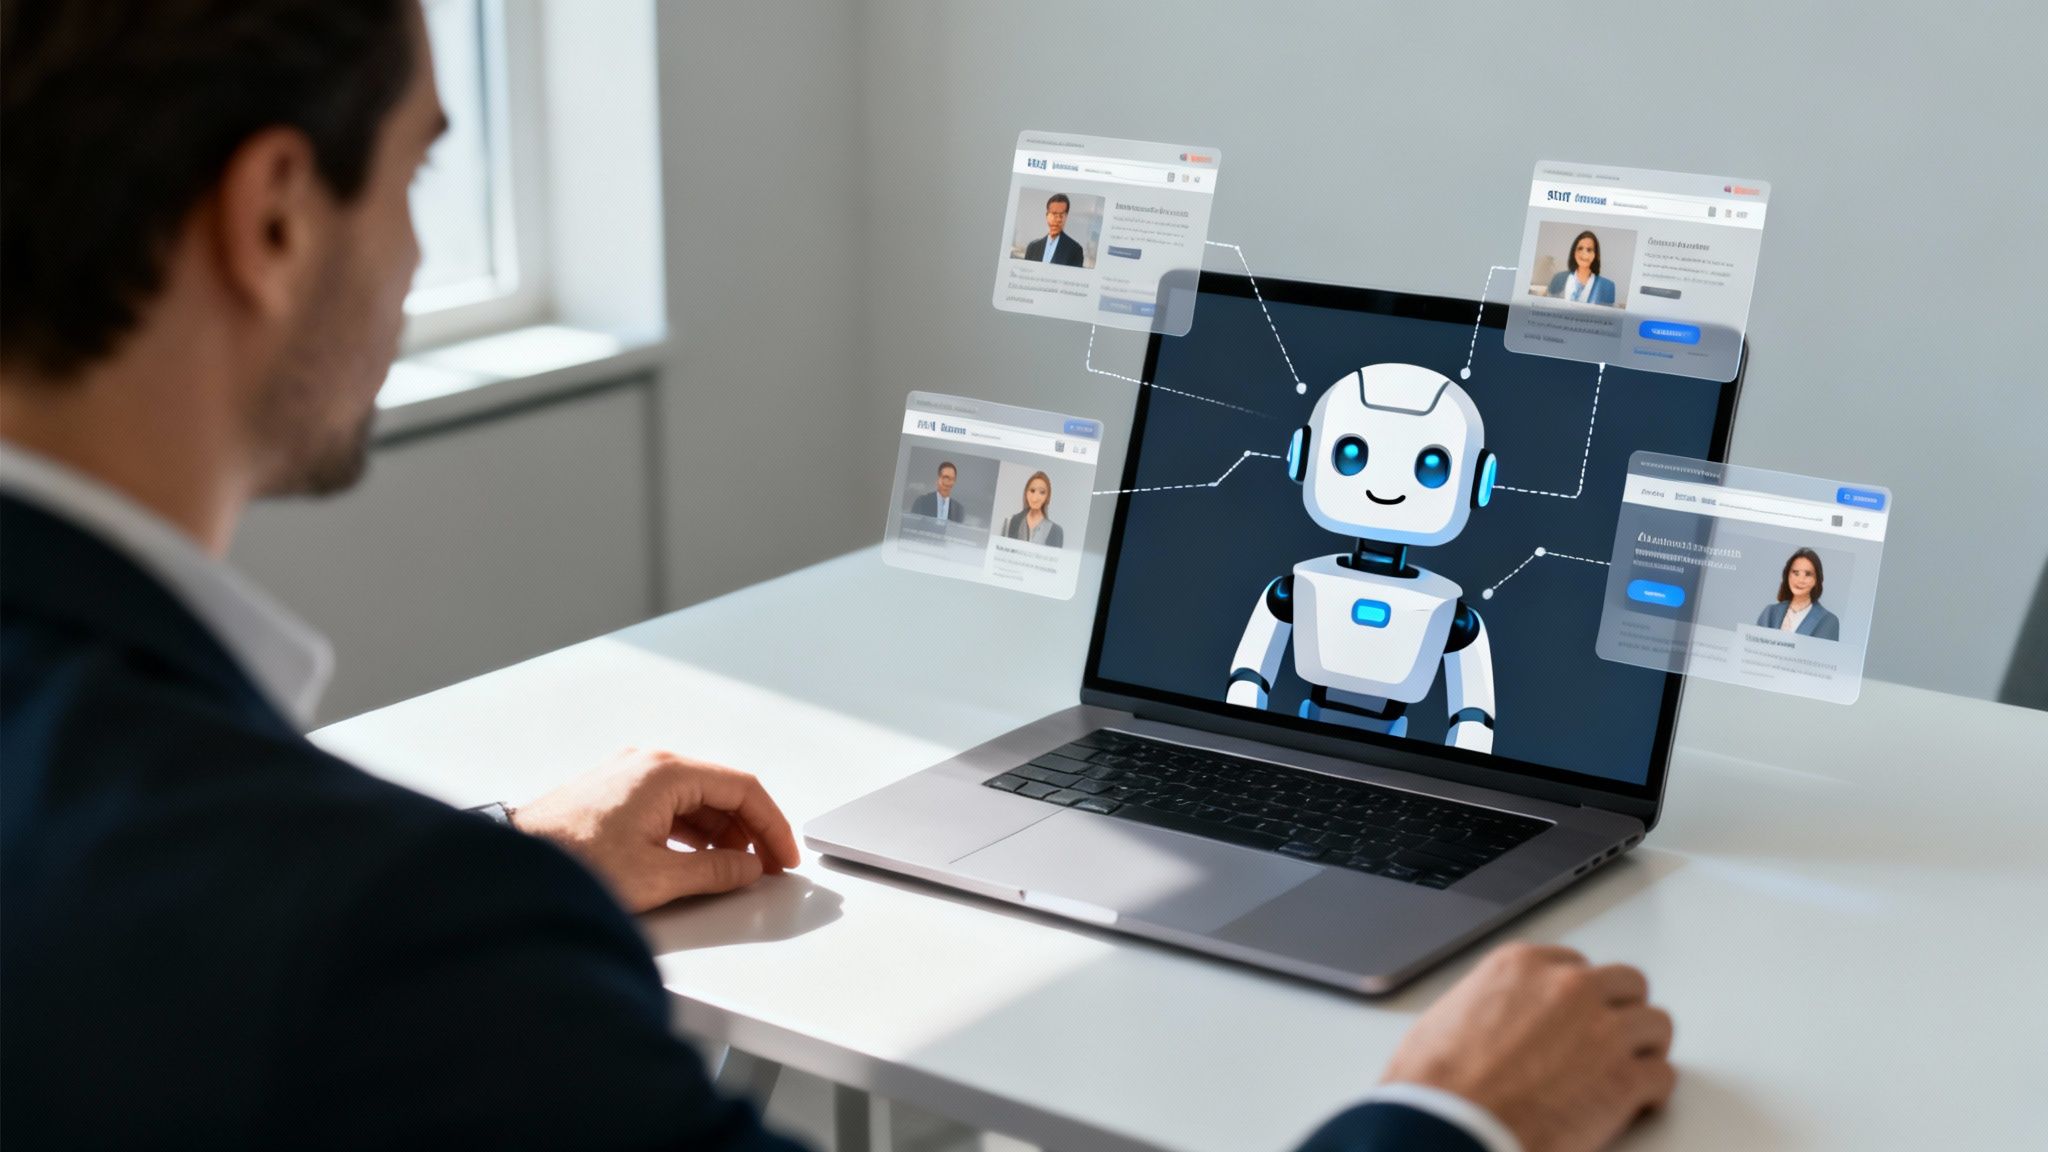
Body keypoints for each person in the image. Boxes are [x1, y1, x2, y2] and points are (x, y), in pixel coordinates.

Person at [0, 3, 1674, 1150]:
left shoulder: (269, 884)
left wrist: (510, 857)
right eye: (422, 168)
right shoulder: (379, 944)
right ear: (275, 215)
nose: (422, 248)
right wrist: (1452, 1118)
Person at [1754, 547, 1840, 640]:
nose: (1800, 580)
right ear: (1788, 575)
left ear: (1816, 580)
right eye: (1796, 573)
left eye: (1808, 574)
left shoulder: (1828, 621)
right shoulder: (1769, 613)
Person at [1544, 230, 1618, 306]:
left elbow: (1606, 316)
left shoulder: (1607, 287)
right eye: (1580, 248)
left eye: (1589, 250)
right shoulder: (1558, 278)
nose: (1584, 253)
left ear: (1595, 255)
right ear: (1574, 252)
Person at [1001, 469, 1064, 547]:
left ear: (1047, 497)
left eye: (1042, 492)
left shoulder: (1056, 532)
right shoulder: (1010, 523)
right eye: (1032, 490)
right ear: (1026, 493)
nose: (1035, 498)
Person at [1022, 192, 1085, 267]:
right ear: (1047, 216)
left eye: (1061, 215)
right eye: (1054, 214)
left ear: (1066, 217)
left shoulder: (1075, 250)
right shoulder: (1032, 248)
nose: (1058, 219)